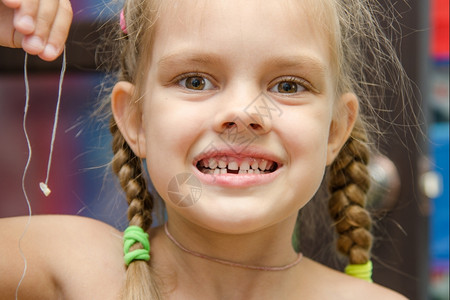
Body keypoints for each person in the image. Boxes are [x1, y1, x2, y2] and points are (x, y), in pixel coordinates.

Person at [0, 0, 411, 299]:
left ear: (335, 130)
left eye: (288, 85)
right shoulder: (65, 263)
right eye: (195, 81)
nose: (242, 114)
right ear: (136, 120)